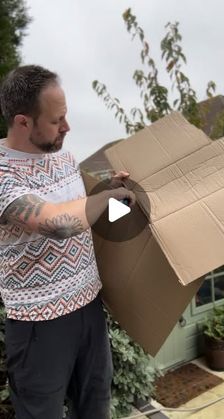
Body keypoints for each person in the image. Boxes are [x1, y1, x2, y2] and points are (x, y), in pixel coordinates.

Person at [0, 65, 135, 419]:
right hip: (38, 325)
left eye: (67, 115)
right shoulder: (2, 172)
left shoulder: (66, 158)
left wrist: (118, 198)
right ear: (23, 122)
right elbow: (58, 223)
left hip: (89, 309)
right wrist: (104, 200)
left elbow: (89, 221)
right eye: (56, 120)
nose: (67, 127)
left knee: (95, 408)